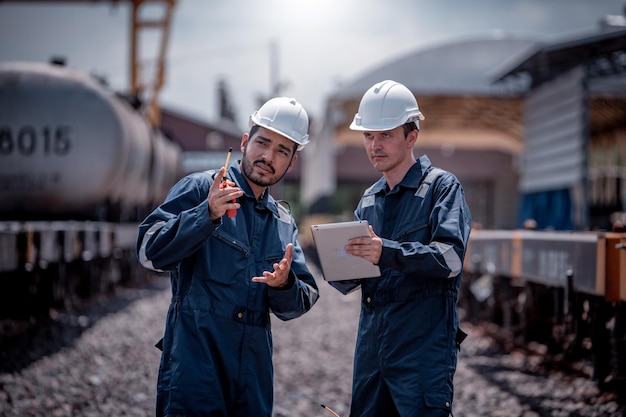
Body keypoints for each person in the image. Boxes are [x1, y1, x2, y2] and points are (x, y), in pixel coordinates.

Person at [136, 97, 320, 417]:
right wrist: (204, 215)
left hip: (253, 375)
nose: (268, 156)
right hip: (196, 366)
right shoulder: (201, 188)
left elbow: (301, 300)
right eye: (263, 143)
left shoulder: (282, 221)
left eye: (282, 151)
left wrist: (284, 283)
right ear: (246, 142)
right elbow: (148, 252)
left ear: (291, 163)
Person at [330, 80, 472, 417]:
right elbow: (352, 278)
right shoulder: (368, 200)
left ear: (412, 136)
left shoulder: (442, 187)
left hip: (421, 353)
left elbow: (450, 258)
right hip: (372, 354)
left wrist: (386, 252)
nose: (374, 145)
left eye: (385, 135)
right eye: (368, 136)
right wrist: (338, 264)